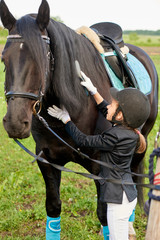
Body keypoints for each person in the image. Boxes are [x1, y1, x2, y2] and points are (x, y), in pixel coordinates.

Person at [47, 71, 150, 240]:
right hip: (125, 195)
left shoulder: (114, 136)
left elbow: (83, 140)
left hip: (118, 200)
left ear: (121, 115)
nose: (108, 105)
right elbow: (106, 111)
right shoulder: (128, 131)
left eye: (113, 104)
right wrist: (93, 91)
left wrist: (66, 120)